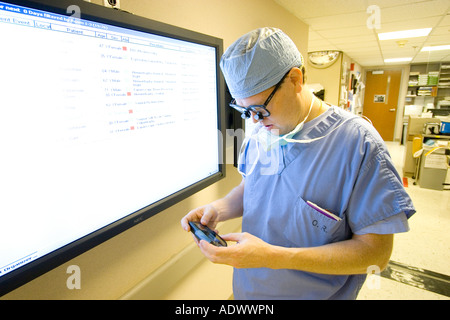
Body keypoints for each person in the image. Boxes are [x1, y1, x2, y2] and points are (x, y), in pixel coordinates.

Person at [180, 27, 415, 300]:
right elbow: (254, 189)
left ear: (295, 79)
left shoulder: (359, 146)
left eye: (260, 109)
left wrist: (273, 258)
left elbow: (375, 254)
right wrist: (216, 209)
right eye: (245, 111)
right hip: (249, 292)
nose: (254, 121)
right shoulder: (264, 131)